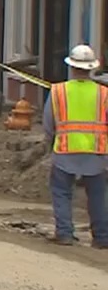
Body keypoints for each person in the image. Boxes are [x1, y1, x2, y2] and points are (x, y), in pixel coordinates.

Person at [43, 44, 108, 247]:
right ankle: (102, 237)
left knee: (61, 191)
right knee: (98, 195)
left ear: (71, 67)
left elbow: (48, 123)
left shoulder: (58, 91)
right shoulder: (103, 94)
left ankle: (64, 233)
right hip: (96, 153)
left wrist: (51, 142)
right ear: (92, 68)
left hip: (65, 151)